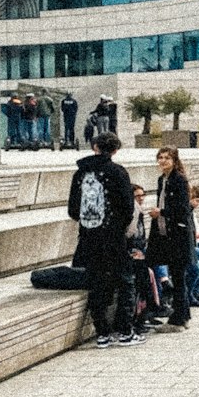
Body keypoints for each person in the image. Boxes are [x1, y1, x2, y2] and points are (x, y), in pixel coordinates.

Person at [67, 133, 140, 348]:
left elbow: (73, 210)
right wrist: (118, 226)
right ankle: (125, 332)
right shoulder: (117, 172)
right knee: (125, 280)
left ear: (94, 147)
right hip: (113, 236)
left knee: (96, 282)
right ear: (115, 150)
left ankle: (102, 334)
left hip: (89, 237)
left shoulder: (80, 174)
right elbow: (128, 208)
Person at [147, 146, 194, 329]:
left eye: (167, 158)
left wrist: (162, 212)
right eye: (160, 157)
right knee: (176, 275)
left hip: (178, 236)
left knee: (178, 276)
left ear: (174, 160)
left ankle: (178, 319)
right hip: (165, 234)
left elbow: (183, 209)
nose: (163, 161)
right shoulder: (162, 180)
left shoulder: (179, 180)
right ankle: (184, 315)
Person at [128, 183, 163, 332]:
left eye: (143, 195)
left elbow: (141, 239)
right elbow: (127, 238)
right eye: (137, 196)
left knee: (156, 263)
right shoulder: (131, 212)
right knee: (144, 272)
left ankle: (149, 310)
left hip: (138, 252)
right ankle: (146, 312)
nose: (141, 198)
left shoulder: (139, 212)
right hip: (128, 254)